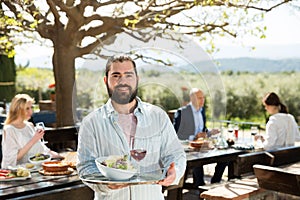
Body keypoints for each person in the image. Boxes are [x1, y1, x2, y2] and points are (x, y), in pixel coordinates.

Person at [76, 54, 186, 200]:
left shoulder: (158, 116)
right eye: (116, 75)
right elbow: (85, 166)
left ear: (137, 79)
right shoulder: (91, 122)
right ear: (106, 81)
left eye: (128, 75)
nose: (123, 81)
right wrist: (107, 185)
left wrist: (174, 172)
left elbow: (175, 154)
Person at [173, 88, 227, 186]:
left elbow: (203, 130)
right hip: (188, 149)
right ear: (192, 98)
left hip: (202, 147)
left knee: (225, 157)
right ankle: (199, 187)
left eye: (203, 98)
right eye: (199, 98)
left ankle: (215, 182)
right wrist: (194, 137)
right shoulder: (182, 112)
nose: (202, 100)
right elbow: (177, 134)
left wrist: (210, 132)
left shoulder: (201, 111)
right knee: (197, 161)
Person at [1, 94, 63, 168]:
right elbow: (13, 159)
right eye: (27, 108)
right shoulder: (9, 130)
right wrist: (34, 139)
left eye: (31, 107)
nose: (31, 111)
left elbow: (41, 148)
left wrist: (59, 156)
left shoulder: (29, 125)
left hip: (37, 168)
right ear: (17, 110)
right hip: (19, 172)